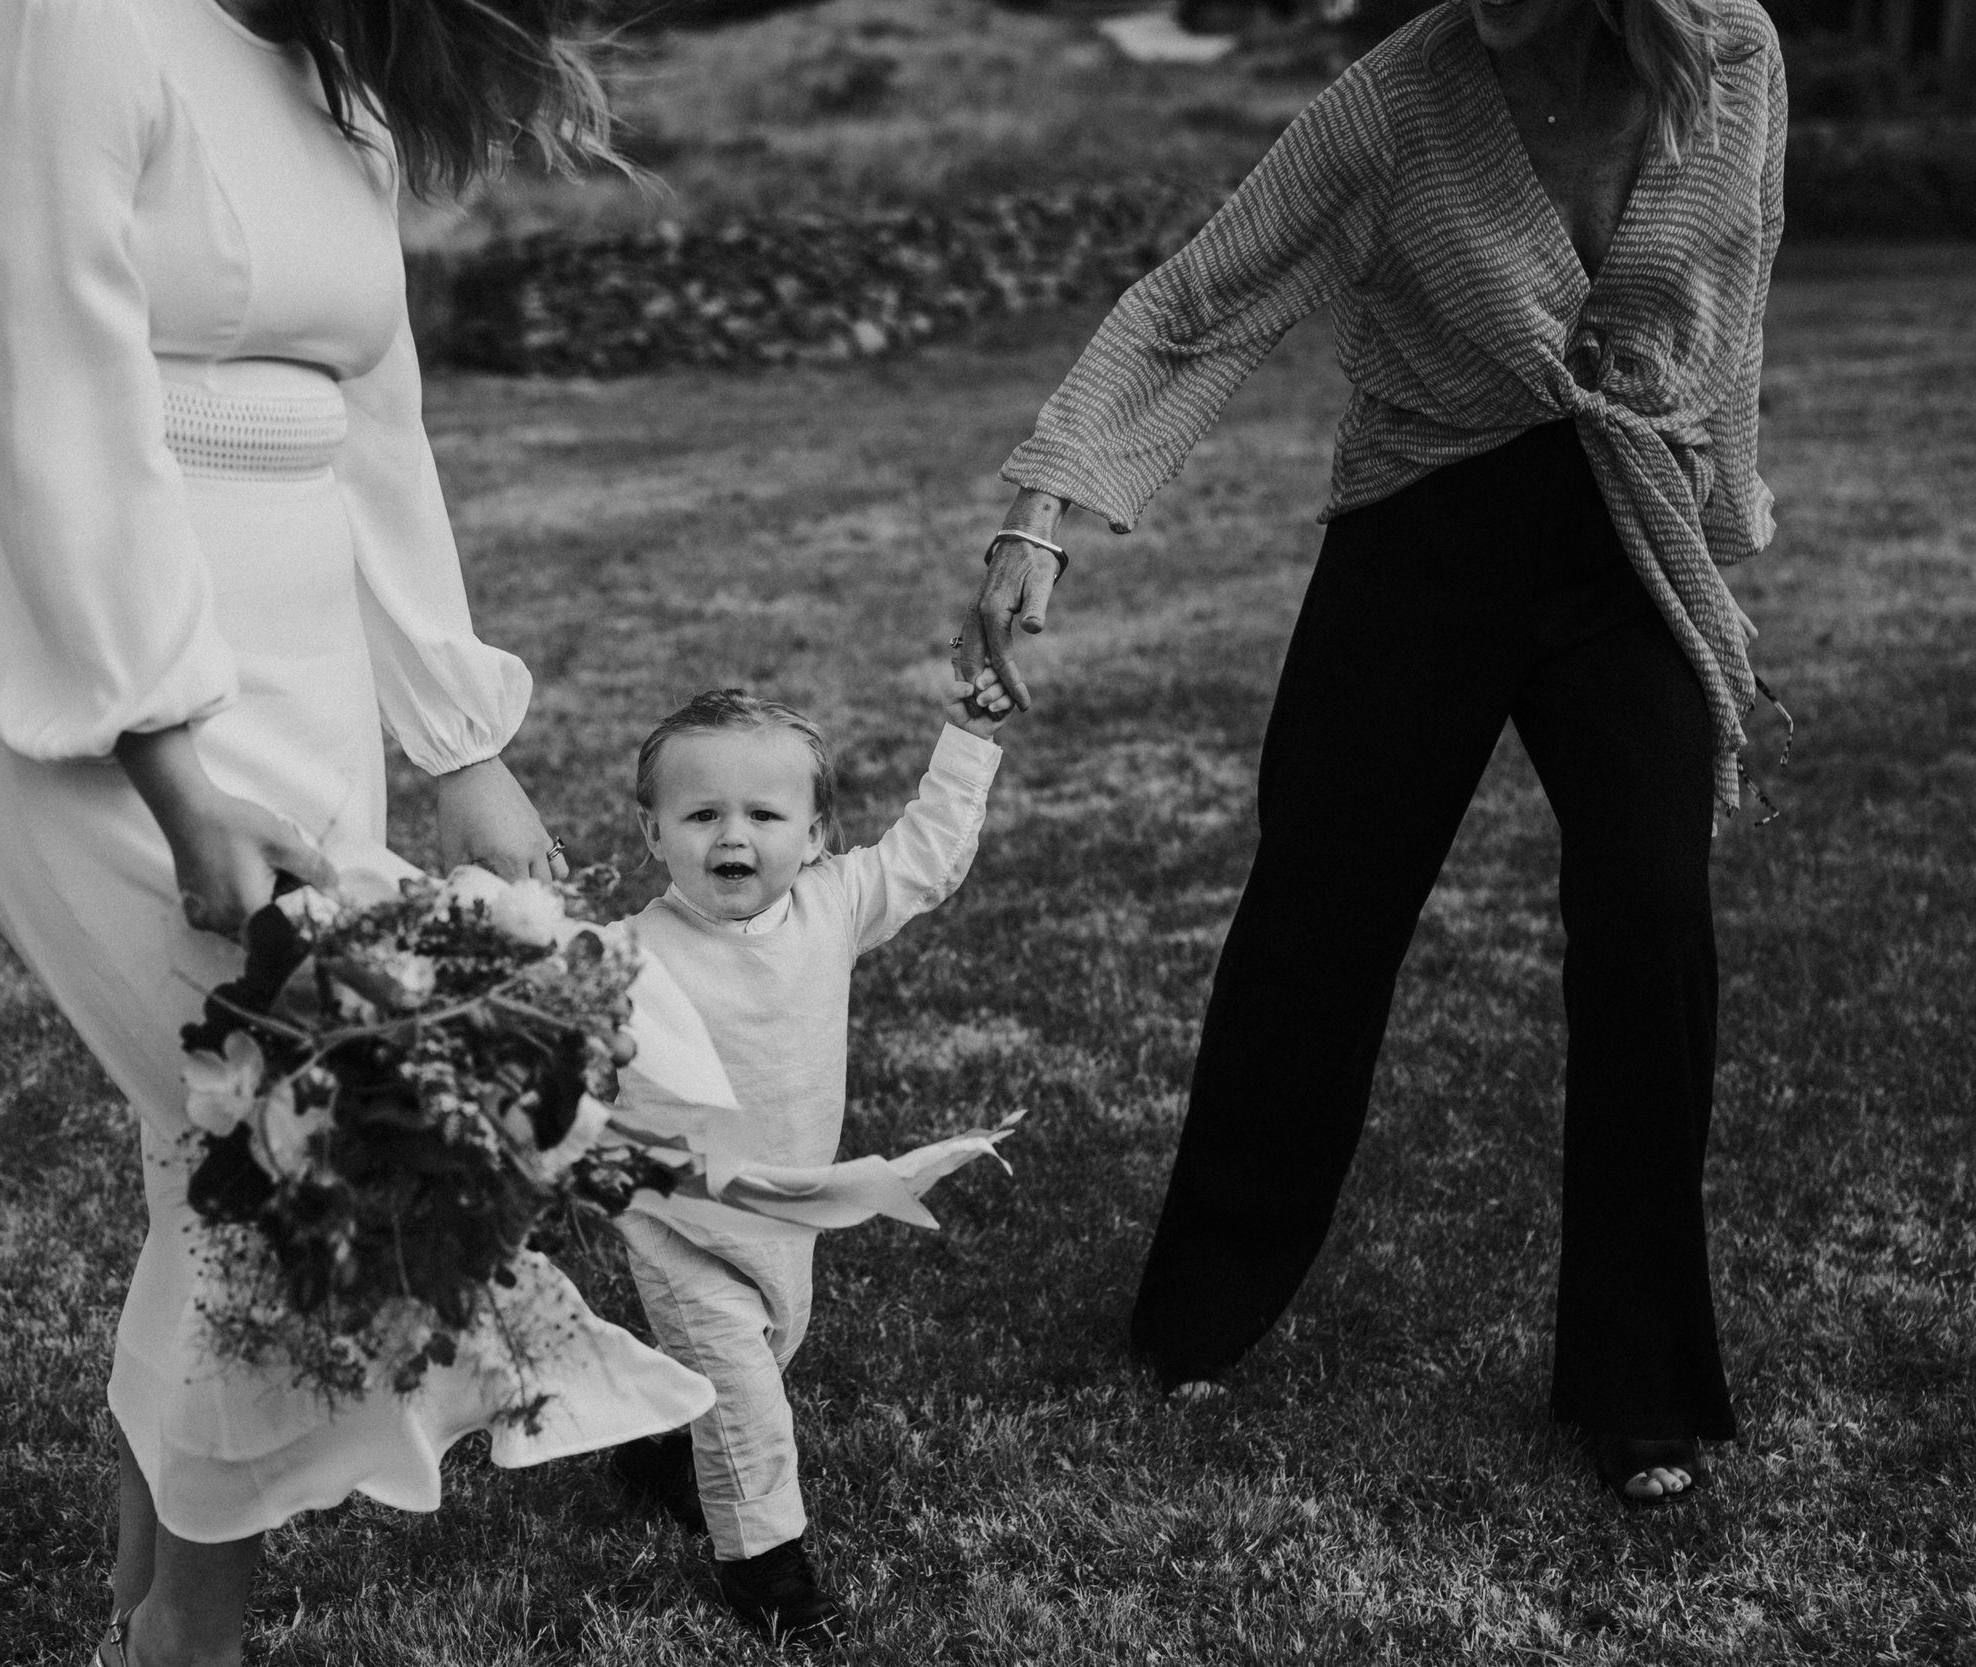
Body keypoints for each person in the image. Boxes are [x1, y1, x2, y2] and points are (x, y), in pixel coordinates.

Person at [0, 0, 713, 1662]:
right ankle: (181, 1642)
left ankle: (142, 1603)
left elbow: (378, 427)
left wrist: (458, 743)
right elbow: (40, 400)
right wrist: (172, 772)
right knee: (294, 1148)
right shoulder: (66, 22)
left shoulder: (324, 71)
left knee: (201, 1140)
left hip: (306, 658)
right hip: (85, 668)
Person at [957, 0, 1785, 1507]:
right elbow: (1196, 300)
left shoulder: (1733, 51)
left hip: (1630, 544)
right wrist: (1044, 509)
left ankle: (1641, 1375)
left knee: (1653, 931)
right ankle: (1202, 1306)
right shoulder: (1403, 96)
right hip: (1427, 529)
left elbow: (1739, 281)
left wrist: (1721, 520)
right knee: (1317, 925)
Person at [606, 676, 1010, 1647]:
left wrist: (971, 733)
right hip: (681, 1215)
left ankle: (661, 1456)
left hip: (793, 1209)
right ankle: (767, 1568)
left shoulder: (832, 904)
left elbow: (928, 856)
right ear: (653, 834)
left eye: (762, 812)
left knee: (770, 1345)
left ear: (817, 831)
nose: (731, 835)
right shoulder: (622, 953)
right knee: (746, 1382)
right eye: (700, 812)